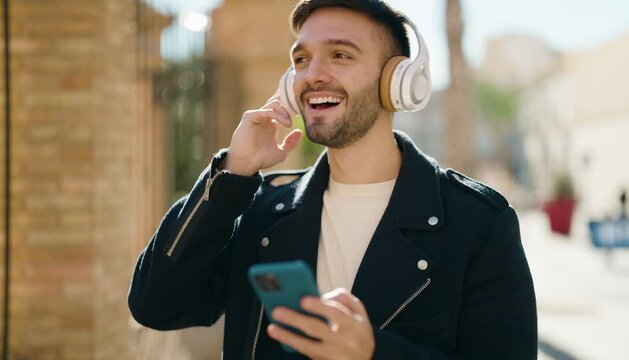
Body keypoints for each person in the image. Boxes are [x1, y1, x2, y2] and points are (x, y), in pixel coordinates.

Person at [128, 0, 537, 358]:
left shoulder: (478, 224)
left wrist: (375, 354)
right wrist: (233, 172)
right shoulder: (262, 210)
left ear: (397, 82)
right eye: (301, 59)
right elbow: (155, 304)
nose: (313, 75)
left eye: (340, 55)